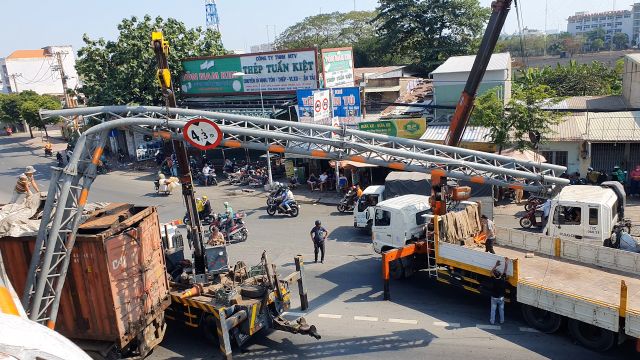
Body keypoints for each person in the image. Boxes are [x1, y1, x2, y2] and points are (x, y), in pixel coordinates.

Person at [489, 259, 508, 325]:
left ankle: (492, 321)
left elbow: (490, 273)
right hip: (501, 297)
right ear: (500, 274)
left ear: (494, 275)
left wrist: (496, 265)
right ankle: (502, 320)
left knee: (493, 310)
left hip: (494, 297)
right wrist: (506, 262)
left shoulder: (493, 279)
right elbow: (505, 270)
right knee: (501, 310)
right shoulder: (503, 279)